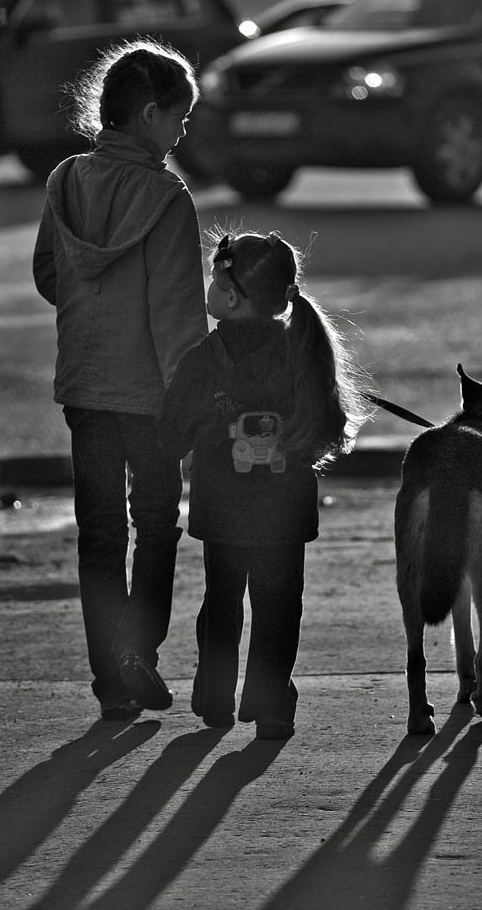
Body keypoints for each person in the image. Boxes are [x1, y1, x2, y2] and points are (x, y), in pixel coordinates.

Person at [32, 39, 208, 720]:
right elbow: (175, 317)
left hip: (84, 384)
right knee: (156, 524)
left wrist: (92, 315)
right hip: (151, 397)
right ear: (147, 114)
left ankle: (109, 677)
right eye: (179, 117)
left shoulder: (67, 182)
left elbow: (51, 275)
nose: (184, 131)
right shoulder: (167, 198)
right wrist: (191, 405)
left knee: (99, 532)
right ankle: (139, 650)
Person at [156, 229, 371, 740]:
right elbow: (326, 427)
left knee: (222, 600)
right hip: (285, 508)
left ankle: (214, 696)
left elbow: (169, 437)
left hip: (223, 508)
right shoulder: (305, 351)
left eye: (213, 278)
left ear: (230, 297)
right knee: (279, 605)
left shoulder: (201, 360)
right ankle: (272, 704)